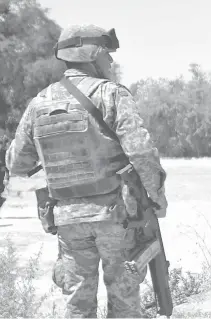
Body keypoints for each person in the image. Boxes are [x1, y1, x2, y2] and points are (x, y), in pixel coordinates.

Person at [6, 24, 168, 318]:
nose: (111, 61)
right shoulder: (111, 95)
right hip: (117, 217)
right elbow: (142, 152)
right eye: (107, 54)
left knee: (77, 304)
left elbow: (17, 163)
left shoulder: (38, 104)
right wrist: (157, 197)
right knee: (124, 301)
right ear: (91, 55)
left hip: (68, 221)